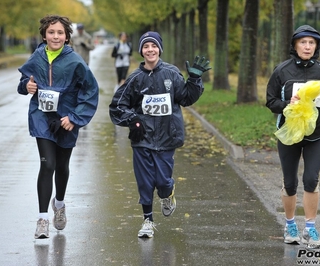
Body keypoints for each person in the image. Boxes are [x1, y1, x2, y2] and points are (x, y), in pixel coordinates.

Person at [109, 31, 211, 238]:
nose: (150, 50)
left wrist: (194, 80)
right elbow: (117, 106)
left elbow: (185, 98)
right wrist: (133, 120)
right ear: (141, 51)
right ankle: (147, 220)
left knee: (163, 182)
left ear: (159, 49)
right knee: (145, 182)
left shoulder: (172, 74)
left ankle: (168, 194)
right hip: (142, 138)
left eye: (153, 46)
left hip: (167, 136)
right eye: (145, 47)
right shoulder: (135, 78)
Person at [17, 15, 99, 239]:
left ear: (67, 37)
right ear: (44, 35)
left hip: (66, 120)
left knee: (62, 166)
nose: (55, 36)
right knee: (48, 164)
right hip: (42, 118)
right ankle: (42, 219)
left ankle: (59, 204)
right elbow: (23, 83)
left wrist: (75, 117)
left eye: (60, 32)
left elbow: (90, 91)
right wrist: (27, 85)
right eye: (51, 32)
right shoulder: (37, 56)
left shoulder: (75, 62)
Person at [266, 25, 320, 249]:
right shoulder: (282, 70)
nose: (307, 46)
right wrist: (287, 104)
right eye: (303, 42)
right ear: (295, 45)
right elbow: (270, 101)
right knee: (290, 183)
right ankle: (290, 226)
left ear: (316, 46)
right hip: (289, 134)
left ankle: (310, 229)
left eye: (311, 43)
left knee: (311, 179)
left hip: (317, 134)